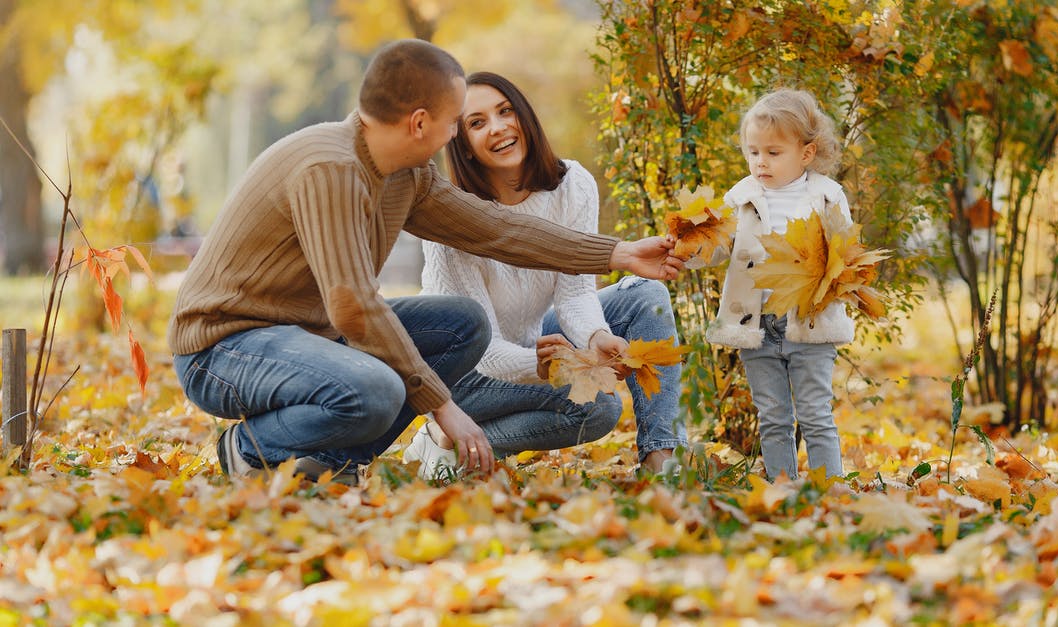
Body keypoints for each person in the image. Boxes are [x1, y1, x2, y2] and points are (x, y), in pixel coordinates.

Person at [167, 40, 683, 486]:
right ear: (419, 123)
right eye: (458, 121)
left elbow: (499, 230)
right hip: (224, 348)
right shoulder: (330, 169)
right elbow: (353, 307)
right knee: (377, 388)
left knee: (462, 324)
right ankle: (251, 449)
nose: (459, 135)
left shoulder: (407, 175)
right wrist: (443, 407)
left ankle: (334, 461)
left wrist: (617, 253)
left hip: (306, 339)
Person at [411, 72, 689, 479]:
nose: (499, 128)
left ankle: (662, 458)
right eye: (477, 122)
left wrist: (596, 338)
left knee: (644, 294)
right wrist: (550, 367)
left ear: (524, 116)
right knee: (599, 406)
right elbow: (484, 351)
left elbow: (575, 293)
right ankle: (447, 444)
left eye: (505, 111)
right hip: (459, 375)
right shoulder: (452, 219)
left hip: (531, 340)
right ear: (463, 145)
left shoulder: (572, 185)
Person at [692, 89, 852, 481]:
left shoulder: (828, 197)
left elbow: (844, 260)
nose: (760, 162)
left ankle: (827, 489)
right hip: (756, 325)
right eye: (753, 152)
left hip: (809, 324)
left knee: (815, 413)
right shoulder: (742, 196)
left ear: (806, 153)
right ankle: (782, 488)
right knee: (773, 415)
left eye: (773, 152)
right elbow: (717, 249)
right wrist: (690, 246)